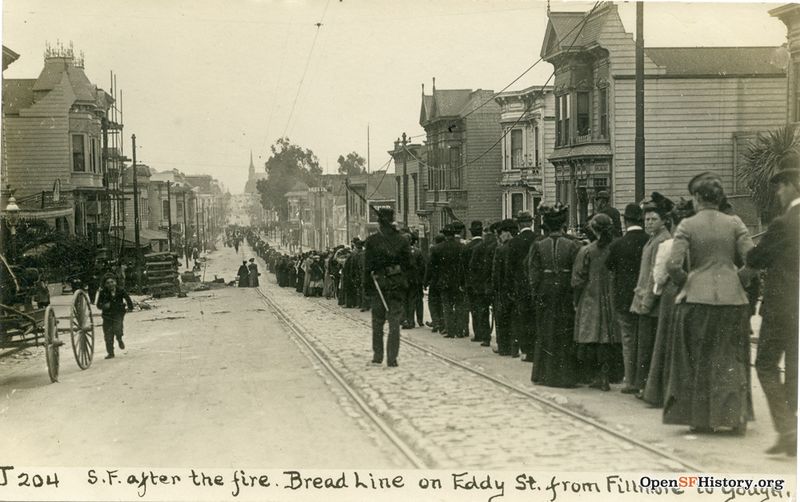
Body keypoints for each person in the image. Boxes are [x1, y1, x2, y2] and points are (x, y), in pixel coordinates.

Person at [663, 172, 754, 434]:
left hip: (697, 300)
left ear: (698, 198)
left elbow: (673, 265)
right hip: (733, 299)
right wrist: (739, 280)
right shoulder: (735, 222)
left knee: (698, 359)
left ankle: (701, 418)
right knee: (731, 359)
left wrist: (688, 282)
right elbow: (753, 259)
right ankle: (734, 417)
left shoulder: (687, 226)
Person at [747, 153, 800, 456]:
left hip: (782, 307)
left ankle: (788, 427)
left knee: (766, 364)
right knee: (794, 368)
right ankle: (792, 432)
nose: (778, 193)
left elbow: (756, 258)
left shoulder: (784, 223)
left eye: (780, 187)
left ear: (793, 185)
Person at [643, 198, 695, 407]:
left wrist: (654, 293)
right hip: (693, 293)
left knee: (666, 341)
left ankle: (662, 390)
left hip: (671, 293)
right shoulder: (697, 242)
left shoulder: (668, 245)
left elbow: (659, 276)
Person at [528, 203, 580, 387]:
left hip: (546, 290)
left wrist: (536, 292)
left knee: (546, 330)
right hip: (566, 290)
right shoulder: (573, 244)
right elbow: (577, 272)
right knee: (565, 331)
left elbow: (533, 274)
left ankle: (545, 374)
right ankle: (566, 375)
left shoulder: (539, 245)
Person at [629, 192, 674, 397]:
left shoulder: (662, 241)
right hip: (644, 299)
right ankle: (645, 386)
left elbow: (656, 275)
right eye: (646, 219)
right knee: (645, 345)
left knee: (649, 346)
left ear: (664, 220)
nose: (648, 222)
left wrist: (647, 302)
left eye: (653, 219)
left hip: (652, 302)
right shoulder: (653, 239)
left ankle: (648, 387)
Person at [606, 204, 649, 394]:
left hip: (624, 298)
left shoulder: (618, 244)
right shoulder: (649, 241)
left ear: (625, 221)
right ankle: (644, 381)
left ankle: (630, 380)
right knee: (645, 339)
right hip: (646, 298)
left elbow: (610, 267)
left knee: (628, 340)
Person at [572, 214, 618, 391]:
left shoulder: (587, 251)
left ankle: (596, 375)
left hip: (591, 296)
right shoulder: (614, 247)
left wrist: (576, 299)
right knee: (608, 336)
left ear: (593, 229)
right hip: (612, 296)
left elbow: (578, 278)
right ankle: (608, 374)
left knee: (591, 336)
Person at [364, 207, 411, 367]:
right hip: (397, 284)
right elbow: (409, 265)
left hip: (378, 285)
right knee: (394, 322)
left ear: (379, 223)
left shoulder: (372, 241)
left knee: (377, 322)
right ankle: (392, 358)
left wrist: (367, 289)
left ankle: (378, 356)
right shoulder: (402, 240)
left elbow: (367, 267)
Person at [506, 211, 538, 360]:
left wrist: (510, 287)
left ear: (519, 224)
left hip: (520, 286)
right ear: (531, 223)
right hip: (536, 285)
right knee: (535, 316)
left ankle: (526, 349)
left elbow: (510, 268)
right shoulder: (538, 239)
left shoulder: (514, 242)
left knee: (523, 317)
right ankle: (536, 348)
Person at [429, 225, 467, 338]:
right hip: (458, 282)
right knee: (459, 306)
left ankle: (450, 331)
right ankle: (460, 330)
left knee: (447, 306)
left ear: (445, 235)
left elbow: (433, 267)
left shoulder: (437, 248)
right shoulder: (462, 247)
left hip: (444, 281)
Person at [468, 222, 497, 346]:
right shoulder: (497, 245)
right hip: (495, 283)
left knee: (482, 311)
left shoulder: (479, 247)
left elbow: (472, 266)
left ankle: (484, 336)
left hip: (481, 284)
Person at [492, 219, 518, 355]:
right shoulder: (518, 247)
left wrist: (495, 289)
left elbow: (496, 274)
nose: (500, 236)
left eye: (501, 233)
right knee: (515, 319)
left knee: (502, 319)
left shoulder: (501, 249)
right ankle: (514, 347)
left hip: (503, 290)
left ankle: (504, 347)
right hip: (517, 289)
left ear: (507, 233)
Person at [96, 273, 133, 359]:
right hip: (107, 315)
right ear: (105, 285)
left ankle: (119, 339)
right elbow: (98, 305)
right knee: (108, 334)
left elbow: (127, 298)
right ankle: (110, 353)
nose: (110, 284)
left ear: (115, 282)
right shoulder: (103, 292)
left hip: (118, 313)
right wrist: (104, 306)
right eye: (108, 283)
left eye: (112, 282)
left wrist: (130, 307)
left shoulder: (120, 290)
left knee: (118, 328)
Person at [462, 221, 485, 342]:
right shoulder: (485, 245)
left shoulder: (467, 247)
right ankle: (485, 332)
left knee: (475, 309)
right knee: (484, 308)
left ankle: (478, 333)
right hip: (484, 282)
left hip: (471, 283)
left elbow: (464, 267)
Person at [402, 233, 426, 329]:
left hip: (403, 280)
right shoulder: (417, 251)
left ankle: (407, 320)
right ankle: (416, 320)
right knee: (413, 300)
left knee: (405, 301)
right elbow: (422, 267)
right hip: (415, 280)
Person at [425, 233, 446, 333]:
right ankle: (443, 322)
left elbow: (429, 266)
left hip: (435, 280)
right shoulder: (446, 248)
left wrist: (425, 281)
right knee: (442, 302)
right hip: (444, 280)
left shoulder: (434, 249)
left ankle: (436, 322)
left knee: (433, 302)